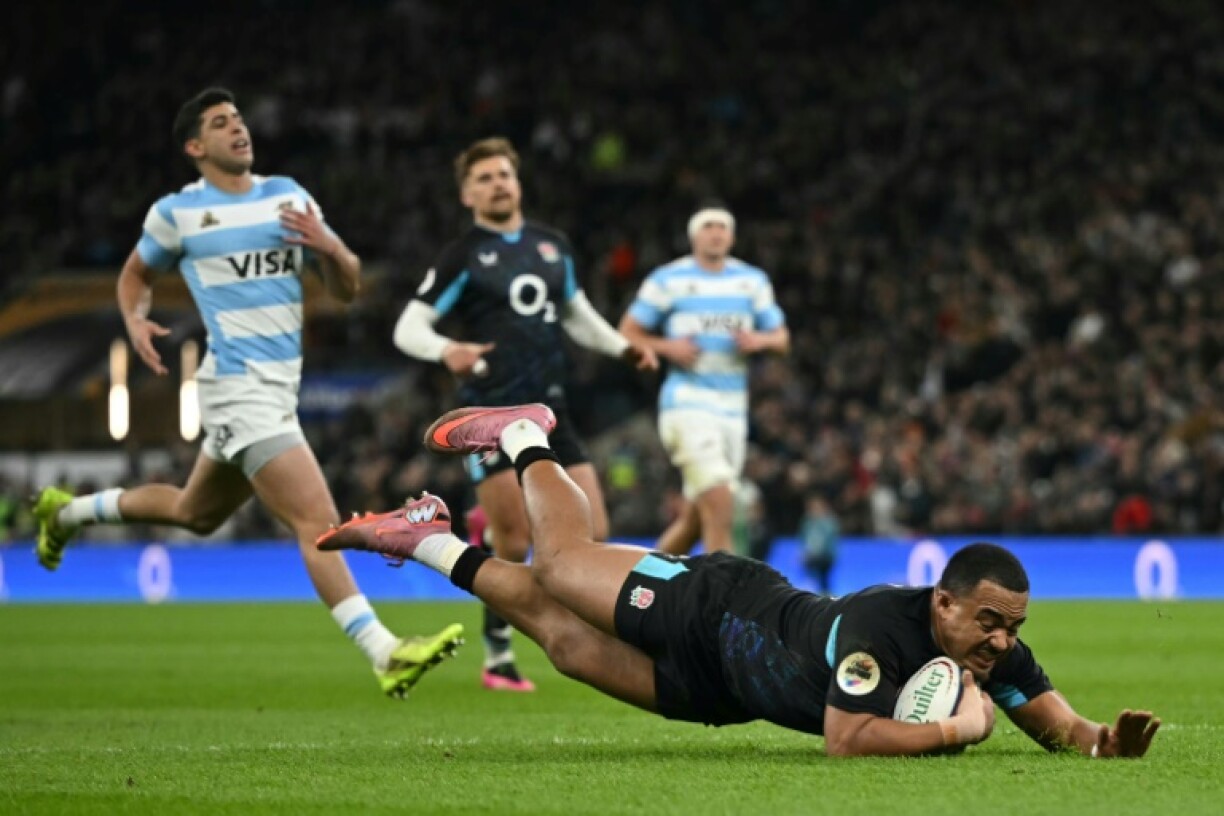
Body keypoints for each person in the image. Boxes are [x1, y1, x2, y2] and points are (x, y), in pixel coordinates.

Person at [319, 403, 1162, 758]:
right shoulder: (880, 625)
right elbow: (849, 740)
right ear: (943, 602)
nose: (1002, 641)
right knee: (563, 566)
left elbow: (1062, 726)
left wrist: (1100, 744)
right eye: (988, 622)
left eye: (1011, 626)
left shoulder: (991, 655)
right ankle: (524, 438)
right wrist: (960, 732)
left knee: (568, 645)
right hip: (716, 604)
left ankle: (426, 542)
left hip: (723, 690)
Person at [29, 87, 462, 699]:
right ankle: (383, 650)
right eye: (220, 123)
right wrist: (134, 320)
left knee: (193, 513)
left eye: (238, 119)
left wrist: (329, 246)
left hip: (278, 390)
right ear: (194, 146)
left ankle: (66, 511)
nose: (238, 129)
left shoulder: (287, 196)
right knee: (316, 518)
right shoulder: (176, 214)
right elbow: (134, 276)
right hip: (235, 388)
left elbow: (348, 286)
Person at [392, 137, 657, 691]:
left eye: (504, 175)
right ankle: (498, 654)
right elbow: (408, 326)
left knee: (596, 531)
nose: (497, 184)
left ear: (518, 182)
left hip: (551, 410)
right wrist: (448, 350)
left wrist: (620, 347)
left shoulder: (550, 246)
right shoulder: (462, 256)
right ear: (467, 194)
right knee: (512, 541)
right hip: (490, 413)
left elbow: (576, 314)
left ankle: (604, 639)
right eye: (484, 178)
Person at [618, 206, 789, 556]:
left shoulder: (751, 281)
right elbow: (627, 331)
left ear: (732, 236)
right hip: (687, 403)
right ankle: (720, 605)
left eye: (722, 227)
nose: (716, 233)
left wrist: (761, 341)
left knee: (697, 518)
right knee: (722, 499)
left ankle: (640, 581)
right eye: (708, 226)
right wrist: (668, 347)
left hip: (732, 412)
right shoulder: (668, 279)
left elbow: (782, 338)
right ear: (694, 236)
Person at [800, 494, 839, 595]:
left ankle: (826, 595)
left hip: (826, 557)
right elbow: (803, 540)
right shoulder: (807, 523)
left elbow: (827, 542)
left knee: (824, 579)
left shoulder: (829, 522)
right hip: (812, 556)